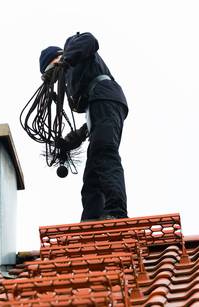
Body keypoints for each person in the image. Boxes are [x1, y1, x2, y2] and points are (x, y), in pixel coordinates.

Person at [39, 32, 129, 222]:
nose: (56, 79)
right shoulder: (73, 80)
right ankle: (90, 221)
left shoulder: (72, 47)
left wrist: (67, 59)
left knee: (104, 154)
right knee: (92, 175)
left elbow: (90, 40)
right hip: (99, 106)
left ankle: (116, 212)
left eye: (51, 71)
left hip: (105, 97)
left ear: (56, 59)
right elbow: (93, 119)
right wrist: (75, 138)